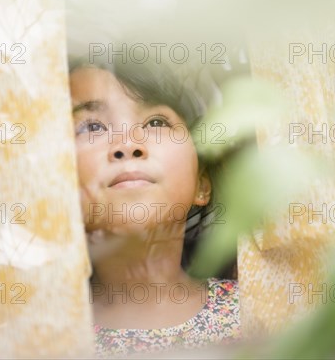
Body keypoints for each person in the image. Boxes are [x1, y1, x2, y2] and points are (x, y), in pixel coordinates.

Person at [69, 56, 241, 357]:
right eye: (92, 126)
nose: (128, 144)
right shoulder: (44, 336)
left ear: (202, 182)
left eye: (156, 122)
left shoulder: (259, 314)